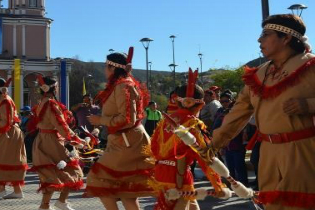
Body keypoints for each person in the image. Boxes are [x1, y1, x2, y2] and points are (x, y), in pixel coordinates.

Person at [212, 14, 315, 209]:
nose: (260, 39)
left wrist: (309, 105)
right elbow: (238, 112)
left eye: (266, 34)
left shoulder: (310, 66)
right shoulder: (259, 74)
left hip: (302, 151)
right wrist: (213, 143)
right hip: (267, 153)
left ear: (286, 38)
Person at [86, 48, 154, 210]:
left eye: (105, 66)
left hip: (127, 141)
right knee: (126, 190)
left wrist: (100, 120)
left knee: (97, 177)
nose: (104, 69)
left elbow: (126, 119)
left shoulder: (123, 86)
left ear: (113, 68)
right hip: (125, 139)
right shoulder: (123, 84)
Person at [151, 69, 225, 210]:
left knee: (192, 205)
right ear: (200, 105)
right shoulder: (193, 123)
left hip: (161, 172)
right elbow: (205, 157)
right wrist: (218, 185)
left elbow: (153, 148)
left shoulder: (164, 121)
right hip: (179, 175)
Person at [32, 76, 84, 210]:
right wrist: (75, 139)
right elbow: (61, 124)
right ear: (52, 88)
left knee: (50, 174)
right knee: (72, 170)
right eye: (56, 87)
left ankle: (45, 205)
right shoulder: (51, 103)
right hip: (52, 141)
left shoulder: (42, 102)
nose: (57, 89)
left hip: (42, 139)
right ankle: (61, 202)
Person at [0, 78, 27, 201]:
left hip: (9, 133)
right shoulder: (3, 99)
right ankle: (17, 191)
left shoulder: (5, 101)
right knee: (10, 161)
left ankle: (0, 189)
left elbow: (6, 122)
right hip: (8, 132)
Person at [213, 91, 249, 186]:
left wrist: (245, 131)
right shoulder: (220, 113)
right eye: (222, 101)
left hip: (237, 144)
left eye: (226, 101)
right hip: (226, 145)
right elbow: (216, 128)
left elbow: (244, 122)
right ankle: (233, 186)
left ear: (231, 100)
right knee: (230, 168)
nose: (225, 103)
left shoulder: (237, 111)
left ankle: (244, 186)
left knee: (239, 166)